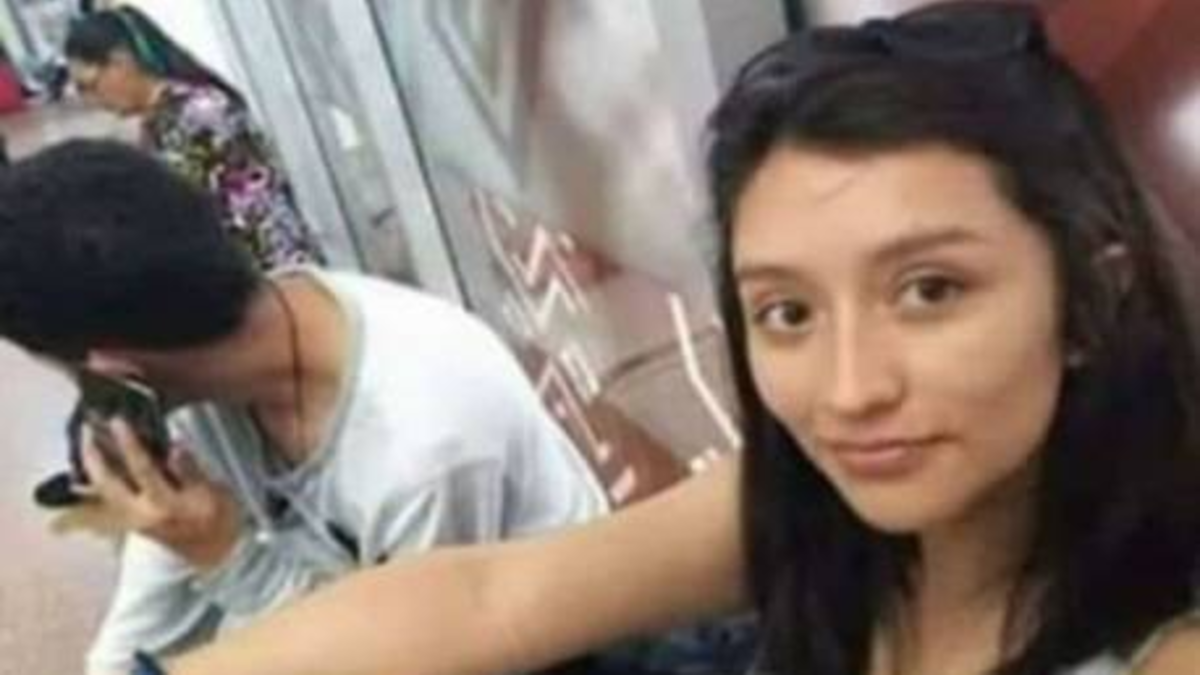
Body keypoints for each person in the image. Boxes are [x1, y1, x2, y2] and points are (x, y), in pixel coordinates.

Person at [141, 3, 1200, 675]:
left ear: (1089, 299)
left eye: (929, 291)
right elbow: (489, 598)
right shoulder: (817, 513)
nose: (849, 390)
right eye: (787, 311)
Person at [0, 140, 608, 675]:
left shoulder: (426, 442)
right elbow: (142, 618)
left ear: (114, 371)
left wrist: (226, 556)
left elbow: (423, 654)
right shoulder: (209, 367)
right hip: (361, 607)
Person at [65, 7, 324, 269]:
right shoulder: (161, 121)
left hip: (270, 269)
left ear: (121, 62)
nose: (92, 100)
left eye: (90, 85)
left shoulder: (198, 113)